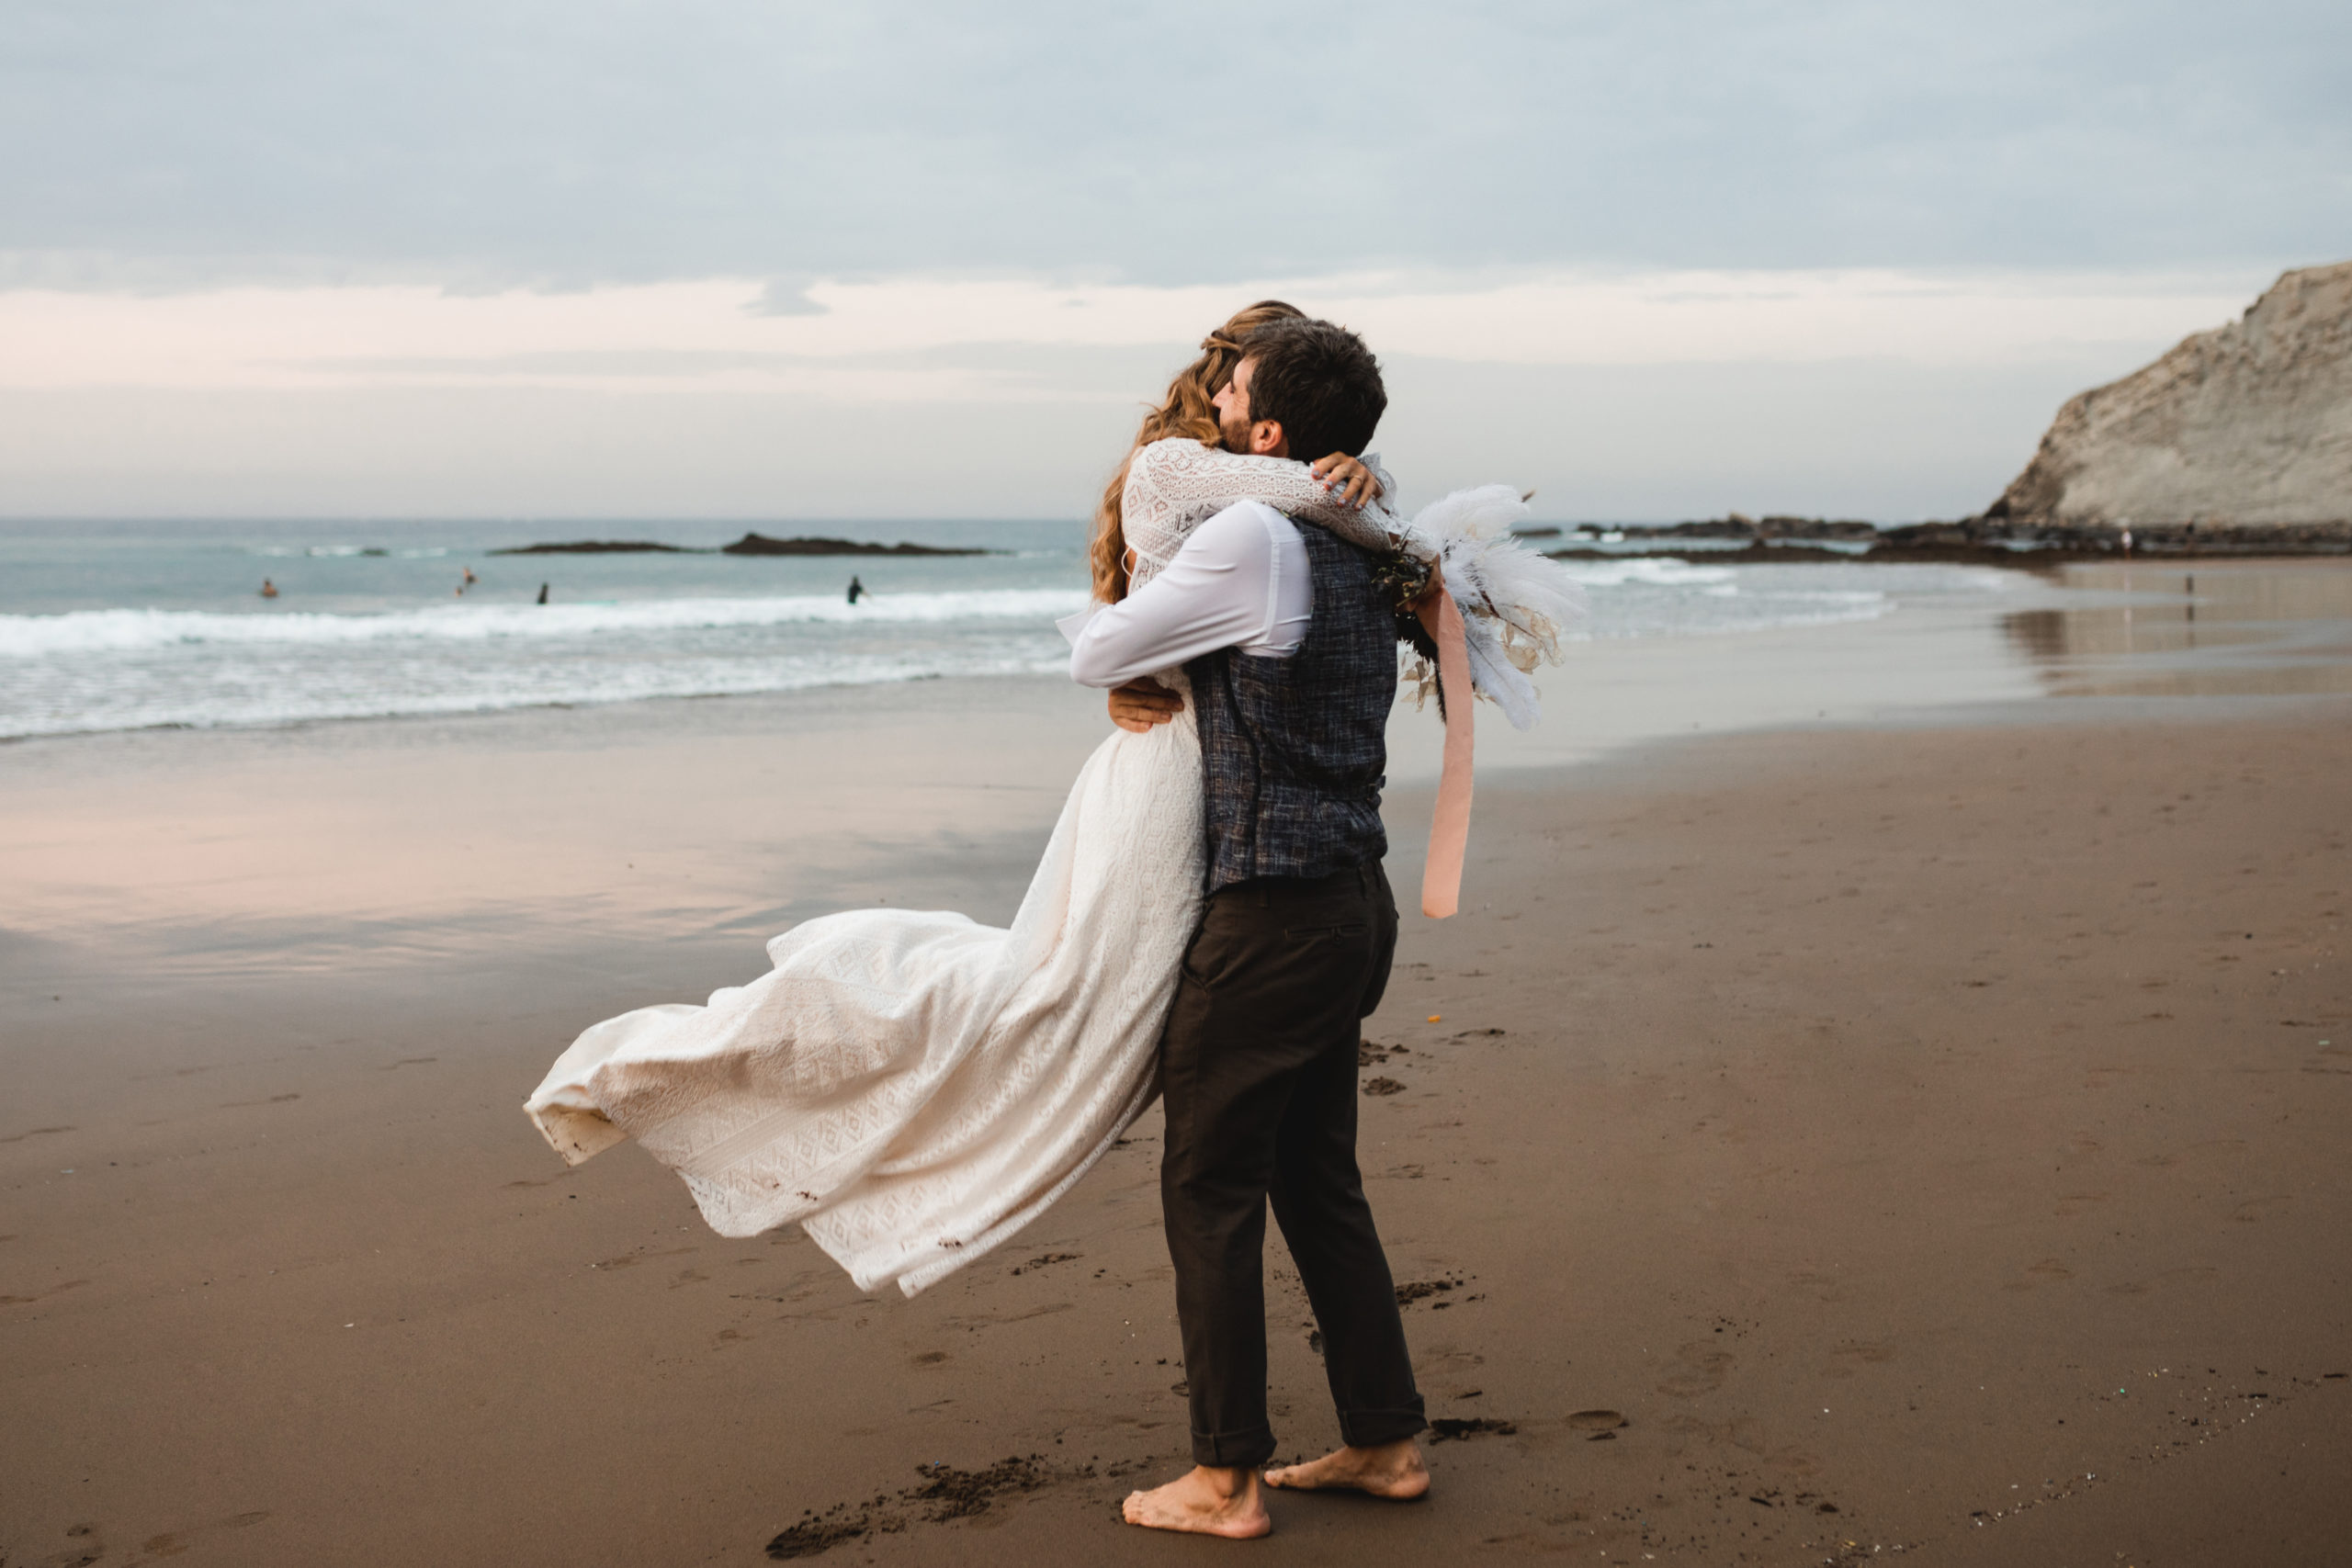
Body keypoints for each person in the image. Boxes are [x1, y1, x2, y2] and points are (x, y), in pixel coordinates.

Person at [1077, 320, 1429, 1537]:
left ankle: (1224, 1478)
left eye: (1233, 396)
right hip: (1351, 905)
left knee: (1209, 1181)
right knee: (1315, 1174)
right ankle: (1384, 1441)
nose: (1215, 407)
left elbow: (1100, 651)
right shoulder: (1369, 553)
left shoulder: (1245, 535)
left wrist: (1169, 633)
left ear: (1267, 432)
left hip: (1270, 915)